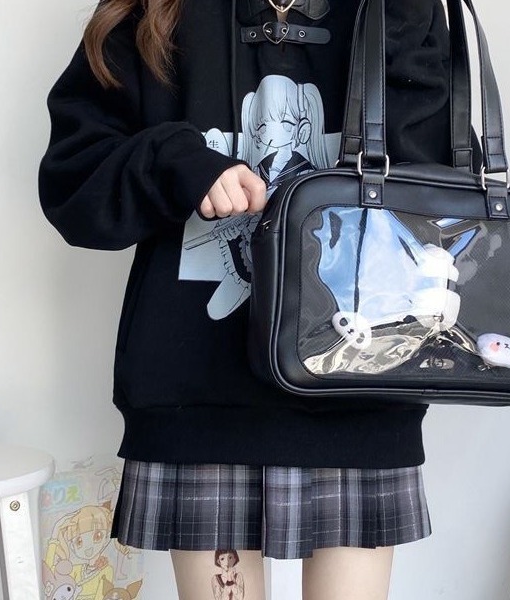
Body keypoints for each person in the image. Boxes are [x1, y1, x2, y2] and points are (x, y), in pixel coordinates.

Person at [38, 0, 453, 598]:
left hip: (355, 384)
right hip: (198, 399)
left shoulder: (395, 8)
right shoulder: (153, 11)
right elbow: (74, 183)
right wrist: (179, 162)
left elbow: (435, 182)